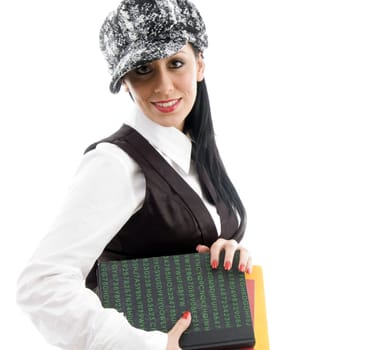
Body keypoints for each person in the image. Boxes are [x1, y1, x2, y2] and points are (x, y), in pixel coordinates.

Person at [16, 0, 251, 349]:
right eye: (143, 70)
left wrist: (227, 254)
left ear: (200, 64)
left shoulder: (192, 152)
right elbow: (41, 284)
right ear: (125, 82)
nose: (164, 86)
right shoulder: (114, 163)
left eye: (176, 63)